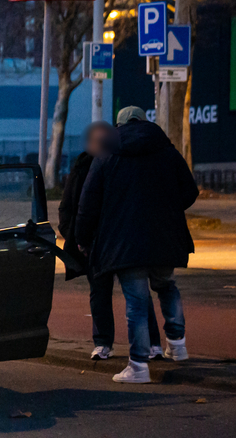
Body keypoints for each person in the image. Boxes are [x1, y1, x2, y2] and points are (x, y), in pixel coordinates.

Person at [76, 105, 198, 383]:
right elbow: (190, 191)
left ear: (118, 127)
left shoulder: (106, 153)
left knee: (137, 302)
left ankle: (139, 366)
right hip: (165, 237)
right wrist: (168, 210)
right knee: (166, 285)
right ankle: (177, 346)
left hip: (124, 242)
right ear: (144, 122)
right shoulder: (166, 150)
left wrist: (83, 239)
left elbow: (88, 202)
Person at [59, 120, 160, 361]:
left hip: (109, 238)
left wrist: (79, 237)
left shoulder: (106, 162)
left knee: (124, 293)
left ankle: (118, 346)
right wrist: (77, 236)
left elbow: (80, 206)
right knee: (128, 293)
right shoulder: (92, 164)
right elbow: (73, 206)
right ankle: (131, 345)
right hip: (109, 239)